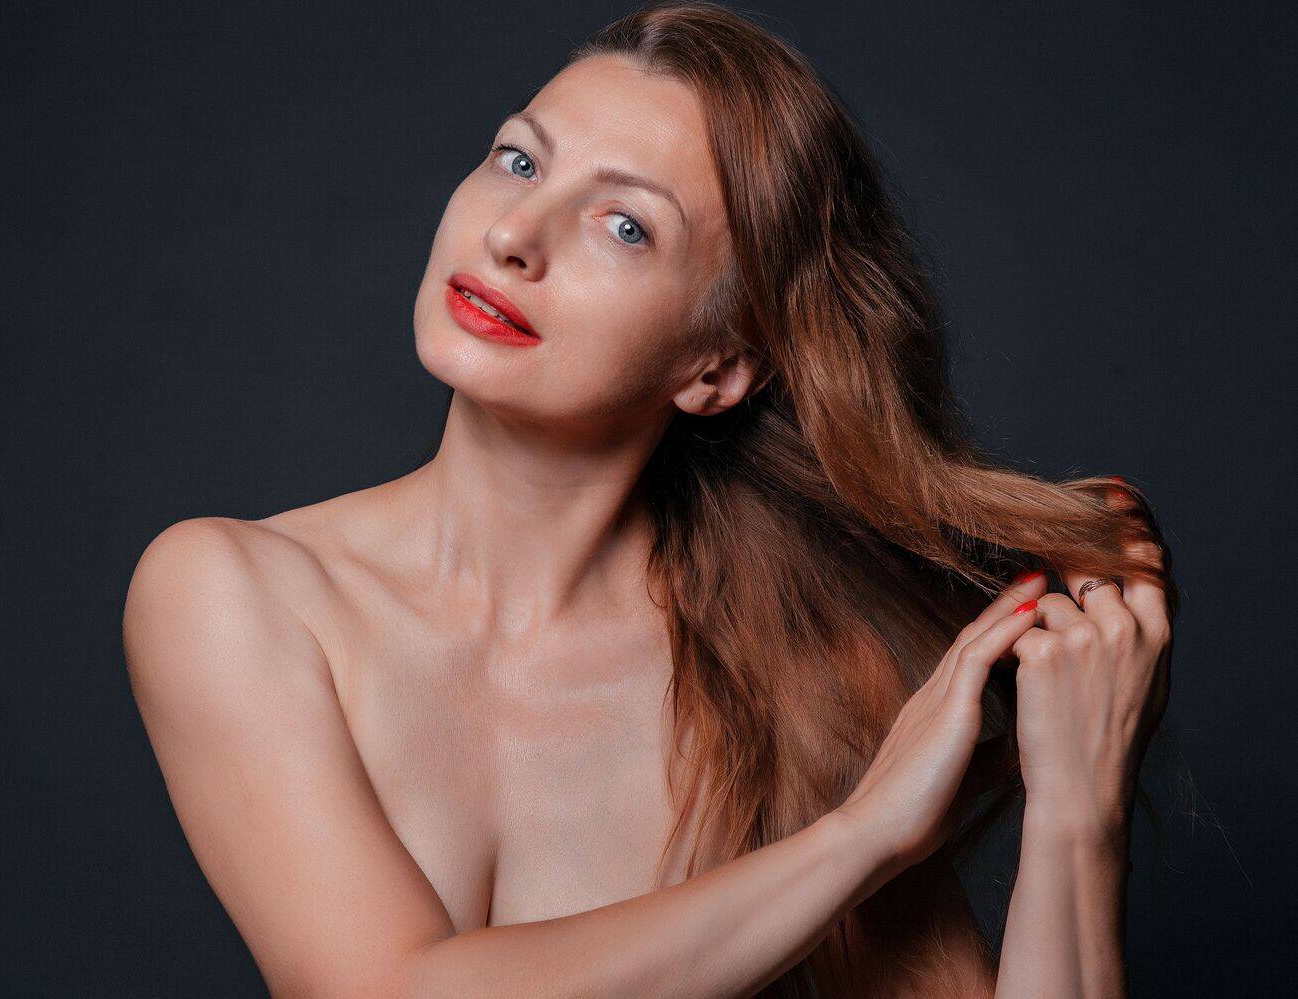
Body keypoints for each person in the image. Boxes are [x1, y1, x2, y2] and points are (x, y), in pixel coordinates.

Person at [121, 2, 1176, 995]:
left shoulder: (794, 677)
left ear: (716, 369)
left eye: (624, 226)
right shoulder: (233, 593)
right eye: (519, 159)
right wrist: (862, 836)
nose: (515, 233)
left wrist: (1080, 813)